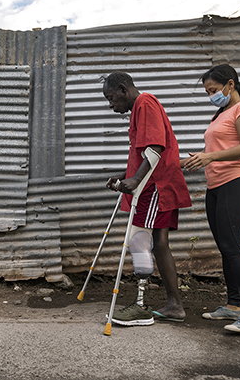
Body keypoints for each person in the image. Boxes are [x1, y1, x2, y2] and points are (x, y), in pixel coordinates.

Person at [181, 64, 240, 333]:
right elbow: (215, 148)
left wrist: (210, 156)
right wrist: (190, 160)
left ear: (230, 85)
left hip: (236, 182)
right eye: (208, 91)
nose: (211, 95)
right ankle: (234, 305)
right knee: (225, 247)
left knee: (233, 246)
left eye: (214, 90)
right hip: (215, 184)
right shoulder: (221, 113)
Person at [103, 72, 191, 326]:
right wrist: (125, 176)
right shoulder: (140, 109)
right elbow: (145, 154)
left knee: (139, 240)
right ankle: (175, 305)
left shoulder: (145, 103)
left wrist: (135, 180)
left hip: (155, 187)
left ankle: (141, 307)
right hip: (159, 183)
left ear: (122, 90)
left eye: (111, 99)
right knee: (160, 243)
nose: (111, 105)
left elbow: (155, 148)